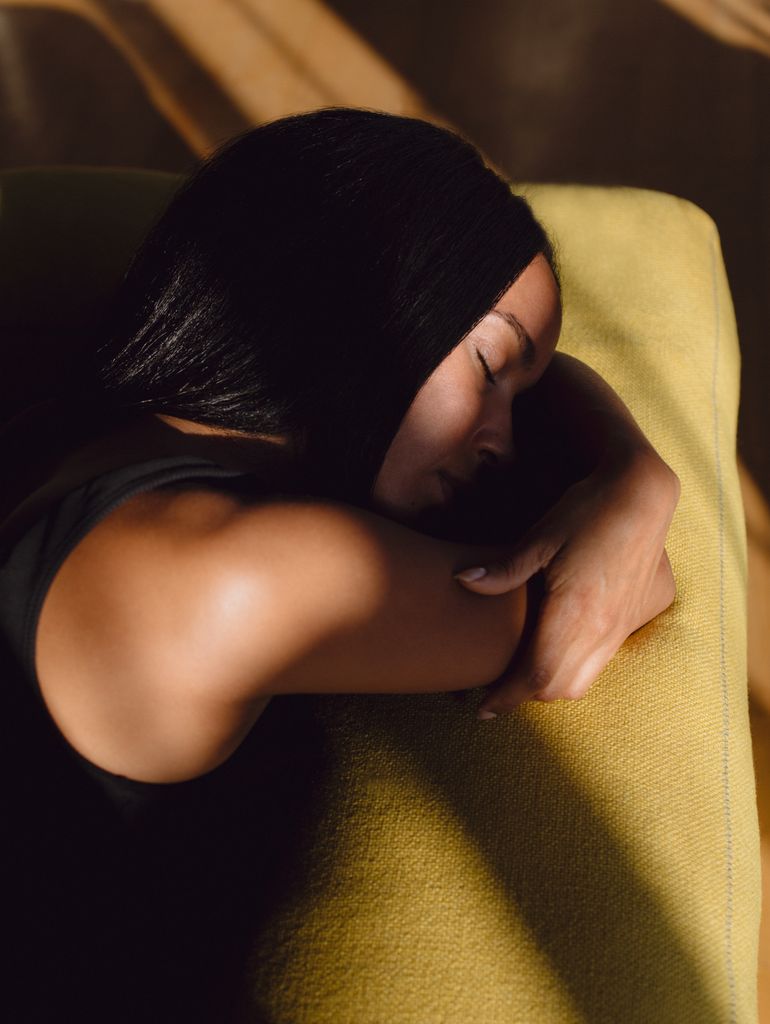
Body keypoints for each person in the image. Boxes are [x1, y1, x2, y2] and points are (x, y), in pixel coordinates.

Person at [0, 106, 679, 798]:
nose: (501, 441)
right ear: (353, 299)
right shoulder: (238, 575)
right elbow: (620, 588)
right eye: (489, 366)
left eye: (519, 399)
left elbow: (545, 369)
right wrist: (637, 482)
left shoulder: (70, 425)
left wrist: (634, 465)